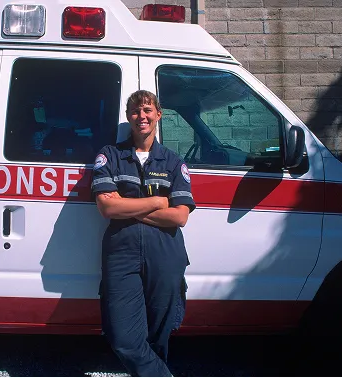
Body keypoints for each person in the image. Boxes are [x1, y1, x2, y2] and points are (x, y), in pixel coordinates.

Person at [91, 90, 196, 377]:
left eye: (148, 110)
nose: (142, 116)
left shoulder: (173, 162)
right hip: (121, 254)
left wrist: (126, 205)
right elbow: (107, 209)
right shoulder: (110, 155)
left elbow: (179, 216)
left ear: (158, 115)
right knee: (123, 337)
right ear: (128, 117)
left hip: (166, 253)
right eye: (136, 111)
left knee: (159, 333)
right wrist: (157, 202)